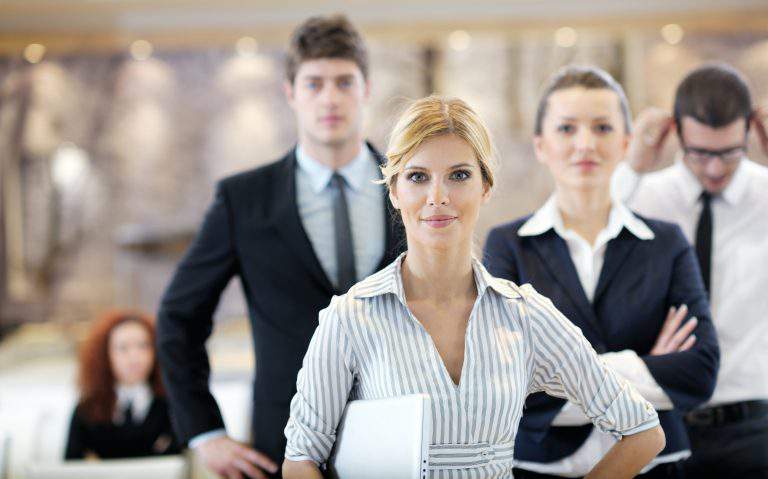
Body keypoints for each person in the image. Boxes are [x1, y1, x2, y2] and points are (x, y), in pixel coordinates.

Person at [282, 95, 666, 479]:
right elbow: (300, 459)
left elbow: (643, 432)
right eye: (417, 177)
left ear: (486, 186)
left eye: (459, 175)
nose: (438, 197)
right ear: (395, 191)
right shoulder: (350, 317)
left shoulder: (524, 314)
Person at [156, 14, 404, 479]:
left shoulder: (411, 185)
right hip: (285, 443)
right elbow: (178, 318)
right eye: (314, 84)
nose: (330, 98)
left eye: (344, 82)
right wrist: (204, 431)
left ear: (366, 89)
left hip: (400, 436)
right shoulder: (243, 200)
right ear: (290, 92)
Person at [483, 66, 720, 479]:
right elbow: (503, 387)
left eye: (603, 127)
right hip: (538, 468)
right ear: (541, 144)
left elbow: (699, 372)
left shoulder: (666, 242)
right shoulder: (508, 245)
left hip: (656, 466)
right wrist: (646, 365)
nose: (585, 144)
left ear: (626, 142)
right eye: (567, 128)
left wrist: (556, 375)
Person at [613, 63, 768, 478]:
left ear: (749, 132)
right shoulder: (642, 197)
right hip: (663, 422)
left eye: (729, 152)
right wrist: (631, 169)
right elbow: (585, 245)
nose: (715, 169)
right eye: (701, 153)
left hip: (755, 428)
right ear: (677, 133)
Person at [65, 310, 180, 459]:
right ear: (105, 355)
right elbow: (71, 466)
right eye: (123, 348)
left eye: (143, 346)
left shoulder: (173, 407)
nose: (134, 357)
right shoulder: (87, 409)